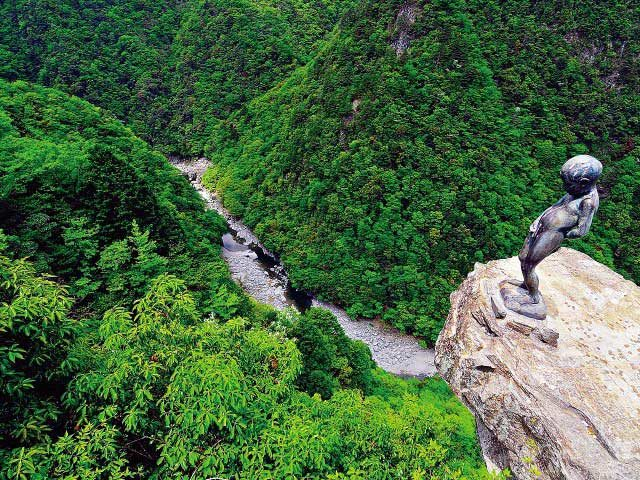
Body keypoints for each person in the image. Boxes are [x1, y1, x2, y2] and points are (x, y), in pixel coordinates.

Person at [516, 154, 602, 305]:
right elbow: (556, 206)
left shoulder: (588, 202)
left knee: (529, 264)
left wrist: (560, 233)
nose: (564, 187)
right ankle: (527, 283)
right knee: (523, 256)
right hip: (542, 227)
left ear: (584, 183)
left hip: (553, 234)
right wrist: (539, 221)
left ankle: (533, 297)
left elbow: (582, 230)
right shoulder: (575, 191)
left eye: (567, 183)